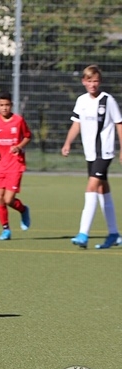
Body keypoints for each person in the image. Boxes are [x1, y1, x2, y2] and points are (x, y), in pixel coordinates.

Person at [61, 65, 122, 249]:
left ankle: (83, 234)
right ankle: (114, 234)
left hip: (104, 152)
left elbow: (119, 124)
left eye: (96, 81)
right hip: (90, 153)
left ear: (100, 82)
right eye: (89, 81)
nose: (93, 84)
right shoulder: (81, 100)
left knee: (91, 187)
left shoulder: (107, 100)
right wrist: (67, 142)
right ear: (84, 82)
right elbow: (76, 124)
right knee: (103, 190)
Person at [0, 91, 32, 241]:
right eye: (1, 105)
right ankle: (6, 229)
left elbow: (28, 136)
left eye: (7, 105)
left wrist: (19, 146)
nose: (4, 108)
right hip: (0, 165)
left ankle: (23, 210)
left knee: (8, 199)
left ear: (11, 105)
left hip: (15, 164)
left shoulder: (18, 121)